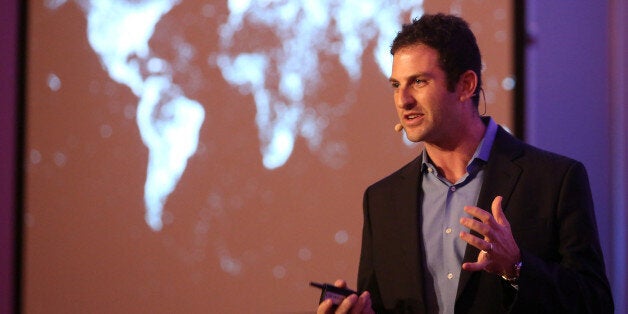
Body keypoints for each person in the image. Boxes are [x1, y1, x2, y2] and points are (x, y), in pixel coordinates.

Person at [317, 13, 613, 313]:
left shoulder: (555, 180)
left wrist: (516, 266)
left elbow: (595, 303)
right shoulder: (382, 199)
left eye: (418, 81)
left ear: (466, 85)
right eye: (396, 84)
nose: (402, 100)